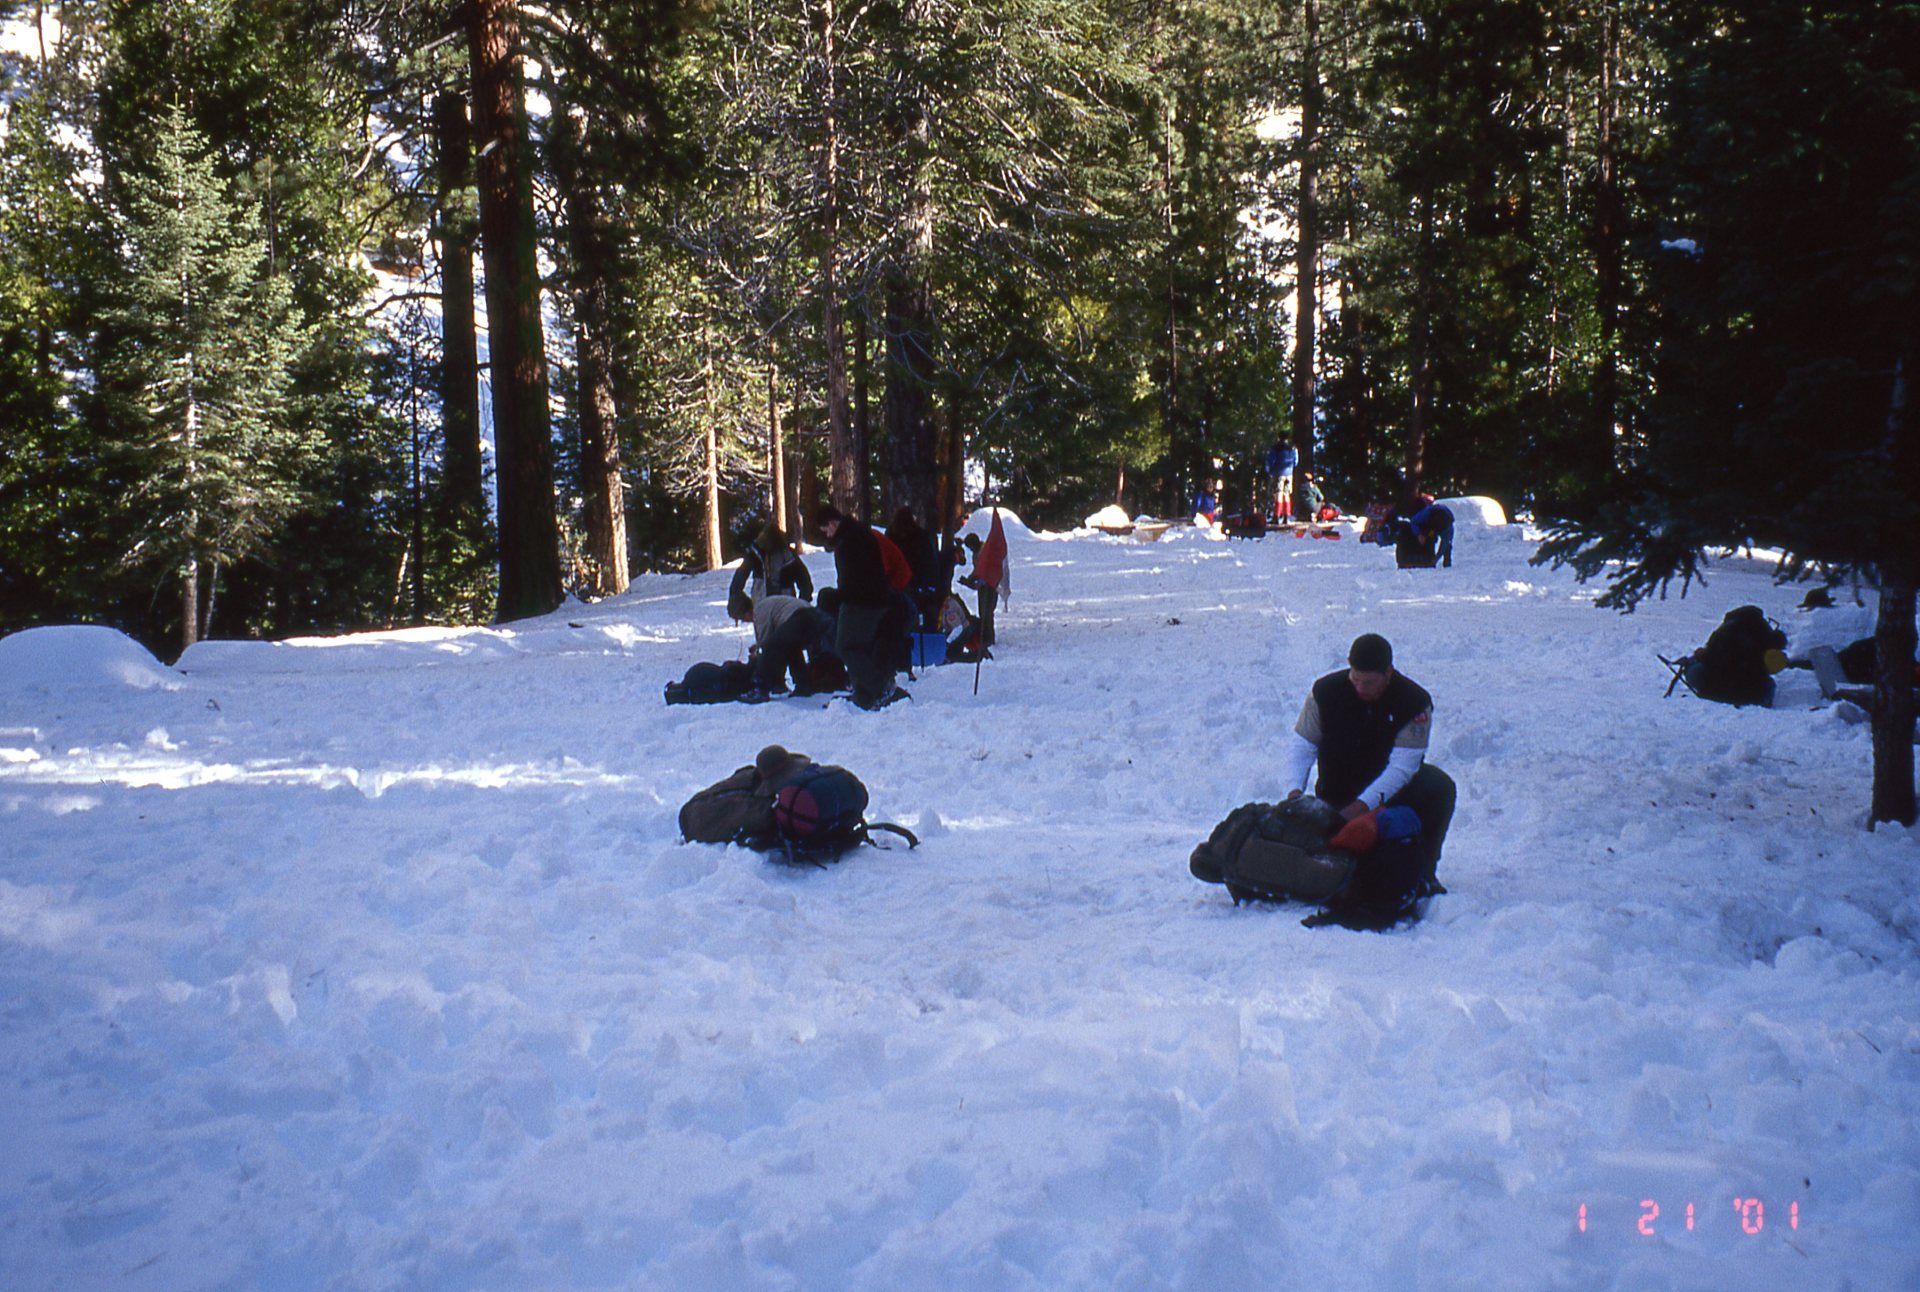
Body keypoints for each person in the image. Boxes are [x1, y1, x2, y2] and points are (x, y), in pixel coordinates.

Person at [1279, 633, 1456, 929]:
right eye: (1355, 679)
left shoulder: (1414, 702)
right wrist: (1295, 792)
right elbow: (1303, 744)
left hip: (1391, 793)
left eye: (1369, 682)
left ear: (1388, 673)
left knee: (1439, 786)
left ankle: (1425, 873)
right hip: (1337, 790)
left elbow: (1403, 767)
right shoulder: (1325, 692)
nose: (1360, 688)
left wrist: (1363, 806)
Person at [814, 504, 905, 709]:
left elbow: (853, 578)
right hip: (873, 599)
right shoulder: (859, 533)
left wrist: (840, 597)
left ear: (832, 523)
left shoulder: (848, 541)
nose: (827, 535)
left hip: (862, 602)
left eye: (826, 530)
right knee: (859, 646)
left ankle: (880, 687)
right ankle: (864, 693)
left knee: (846, 646)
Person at [748, 594, 838, 696]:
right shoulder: (768, 605)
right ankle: (803, 685)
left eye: (742, 618)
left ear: (747, 612)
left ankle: (760, 688)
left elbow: (766, 640)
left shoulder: (759, 611)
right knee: (792, 647)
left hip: (799, 617)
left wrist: (757, 654)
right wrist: (758, 645)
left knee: (771, 647)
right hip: (813, 615)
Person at [727, 522, 813, 622]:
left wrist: (743, 608)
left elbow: (737, 582)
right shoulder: (788, 556)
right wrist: (800, 606)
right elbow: (805, 581)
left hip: (767, 605)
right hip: (783, 606)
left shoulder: (756, 554)